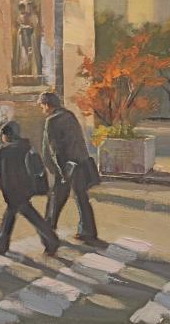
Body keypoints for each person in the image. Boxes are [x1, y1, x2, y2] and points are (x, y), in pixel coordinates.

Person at [0, 121, 60, 256]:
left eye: (3, 134)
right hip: (26, 188)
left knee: (28, 215)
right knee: (14, 213)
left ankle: (52, 240)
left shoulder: (4, 153)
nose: (2, 137)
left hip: (14, 191)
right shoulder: (26, 147)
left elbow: (5, 177)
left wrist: (7, 193)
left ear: (8, 135)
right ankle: (1, 243)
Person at [38, 92, 99, 244]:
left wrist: (61, 171)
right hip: (80, 163)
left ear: (47, 105)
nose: (42, 109)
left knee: (56, 197)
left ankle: (48, 229)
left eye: (42, 105)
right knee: (81, 197)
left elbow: (56, 149)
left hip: (65, 166)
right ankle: (88, 231)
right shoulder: (69, 115)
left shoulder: (52, 120)